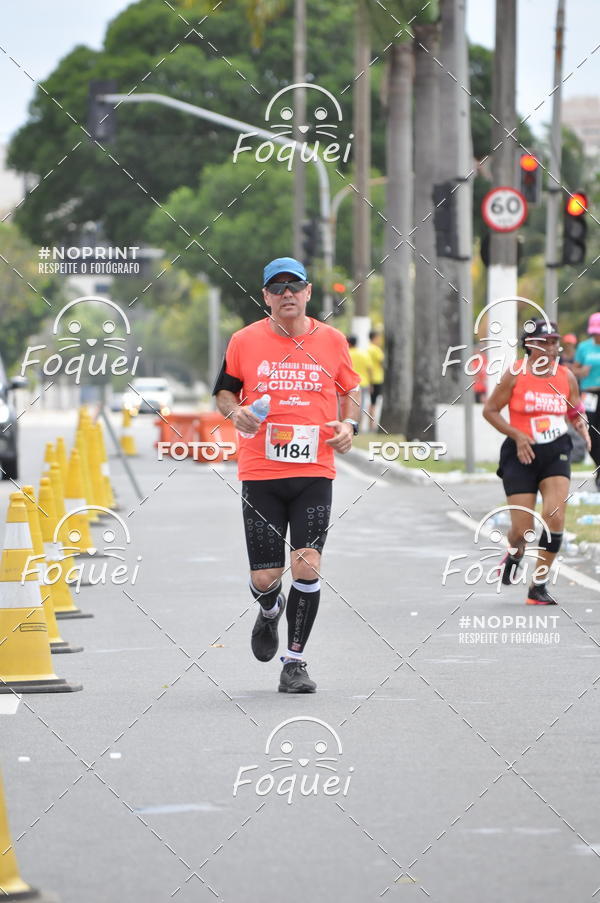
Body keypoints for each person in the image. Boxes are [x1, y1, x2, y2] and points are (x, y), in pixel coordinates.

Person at [213, 257, 361, 693]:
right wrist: (234, 412)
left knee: (307, 566)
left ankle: (294, 662)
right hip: (261, 471)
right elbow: (224, 390)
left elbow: (349, 389)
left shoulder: (332, 341)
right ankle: (269, 609)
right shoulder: (244, 341)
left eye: (294, 286)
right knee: (266, 576)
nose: (287, 295)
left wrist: (347, 424)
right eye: (277, 289)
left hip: (315, 470)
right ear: (266, 298)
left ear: (308, 292)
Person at [483, 319, 590, 606]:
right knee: (522, 531)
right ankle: (516, 553)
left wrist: (581, 426)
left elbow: (574, 409)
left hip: (556, 451)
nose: (551, 348)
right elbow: (490, 411)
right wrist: (517, 435)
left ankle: (538, 585)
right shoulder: (515, 375)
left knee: (554, 517)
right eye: (544, 342)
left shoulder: (566, 376)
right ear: (529, 345)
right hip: (521, 454)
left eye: (554, 342)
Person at [573, 313, 600, 489]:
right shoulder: (583, 348)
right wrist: (581, 371)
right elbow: (574, 369)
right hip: (589, 396)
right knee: (591, 434)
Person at [346, 335, 372, 430]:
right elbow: (369, 369)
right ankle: (358, 426)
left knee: (349, 405)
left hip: (349, 384)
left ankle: (348, 423)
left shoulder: (347, 353)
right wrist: (371, 383)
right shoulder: (363, 354)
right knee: (361, 405)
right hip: (364, 382)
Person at [367, 330, 384, 424]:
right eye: (378, 337)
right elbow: (382, 363)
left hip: (370, 379)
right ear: (375, 338)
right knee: (373, 402)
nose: (380, 340)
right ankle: (372, 424)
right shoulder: (376, 349)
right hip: (377, 379)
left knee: (371, 401)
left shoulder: (368, 348)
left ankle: (370, 423)